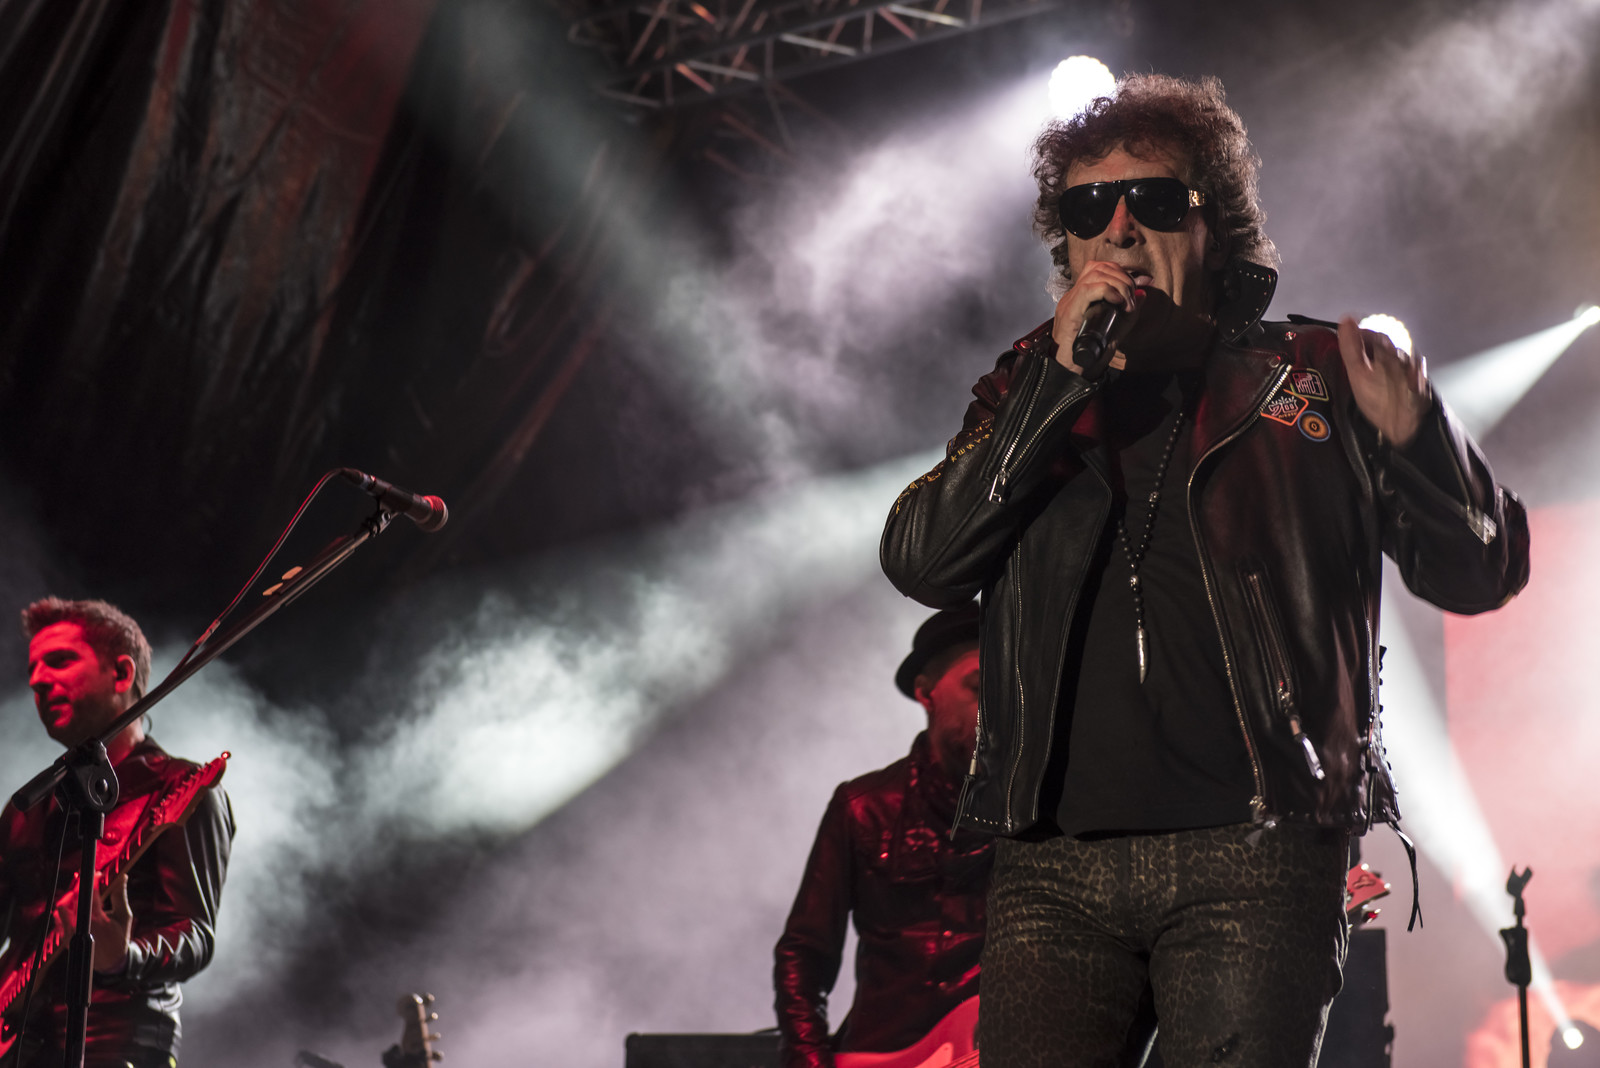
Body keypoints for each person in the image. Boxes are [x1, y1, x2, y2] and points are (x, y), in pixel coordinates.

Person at [879, 74, 1530, 1068]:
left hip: (1256, 854)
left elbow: (1480, 571)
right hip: (1053, 868)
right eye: (1089, 209)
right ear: (1066, 245)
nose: (1120, 228)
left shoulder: (1312, 377)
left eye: (1153, 199)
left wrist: (1422, 439)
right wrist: (1054, 387)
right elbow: (923, 560)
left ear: (1213, 226)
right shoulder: (1026, 385)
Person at [0, 598, 234, 1068]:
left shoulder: (181, 788)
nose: (37, 680)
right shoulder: (27, 809)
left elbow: (195, 934)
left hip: (118, 1047)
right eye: (33, 669)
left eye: (59, 660)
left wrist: (123, 957)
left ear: (122, 674)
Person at [773, 604, 993, 1068]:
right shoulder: (862, 807)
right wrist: (810, 1061)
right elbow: (804, 954)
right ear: (926, 693)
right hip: (881, 1052)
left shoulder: (1039, 814)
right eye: (978, 688)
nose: (997, 707)